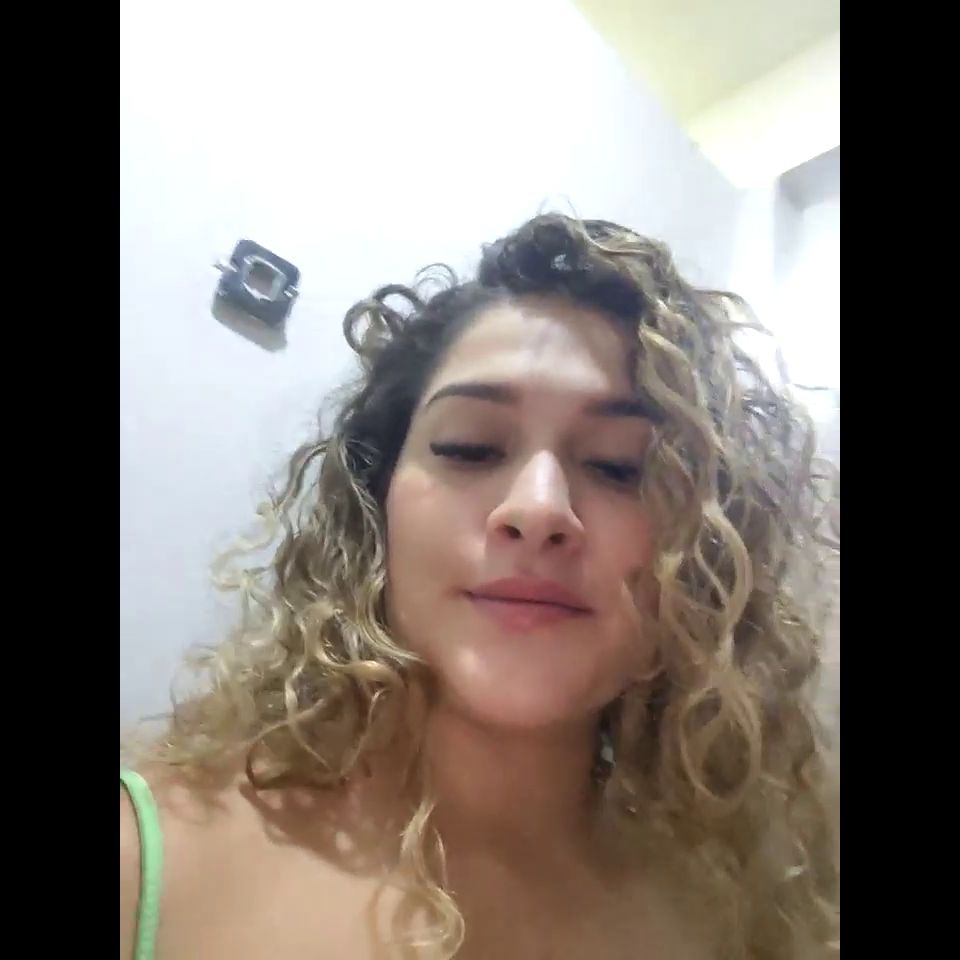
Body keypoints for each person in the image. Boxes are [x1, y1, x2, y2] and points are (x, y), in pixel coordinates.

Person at [120, 214, 840, 959]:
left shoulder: (743, 915)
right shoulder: (143, 862)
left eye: (621, 466)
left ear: (704, 554)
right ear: (375, 507)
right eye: (470, 447)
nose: (538, 508)